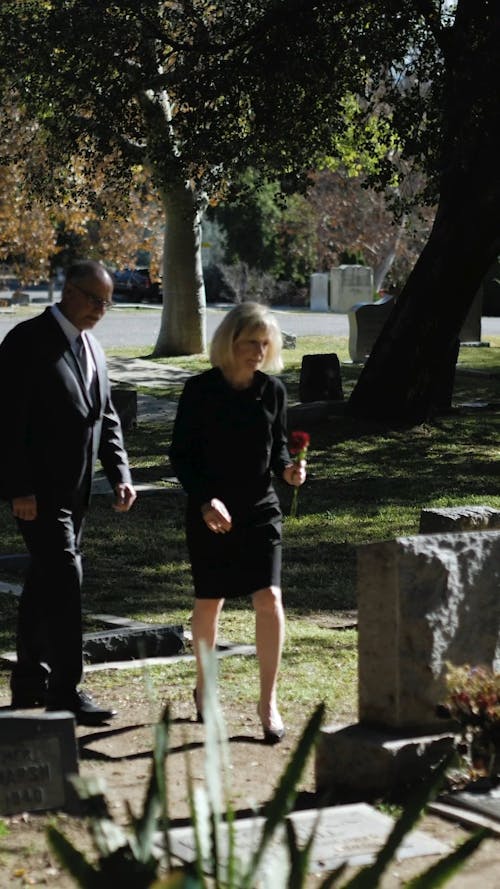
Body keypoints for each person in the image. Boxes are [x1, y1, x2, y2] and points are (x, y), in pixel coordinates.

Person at [0, 260, 137, 725]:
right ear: (69, 291)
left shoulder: (93, 346)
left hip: (77, 492)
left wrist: (119, 471)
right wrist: (19, 487)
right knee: (65, 576)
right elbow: (8, 422)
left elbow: (107, 416)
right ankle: (65, 689)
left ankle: (28, 683)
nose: (102, 309)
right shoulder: (26, 341)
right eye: (95, 299)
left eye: (108, 301)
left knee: (45, 581)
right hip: (36, 494)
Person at [169, 302, 306, 744]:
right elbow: (181, 457)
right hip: (211, 510)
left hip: (260, 507)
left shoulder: (273, 391)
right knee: (210, 602)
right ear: (230, 342)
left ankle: (268, 702)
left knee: (269, 596)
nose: (259, 351)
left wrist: (289, 471)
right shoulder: (200, 390)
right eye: (251, 342)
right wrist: (206, 500)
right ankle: (205, 686)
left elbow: (279, 448)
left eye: (266, 343)